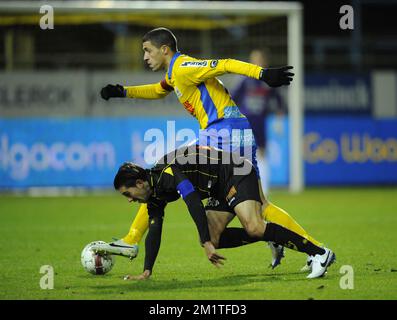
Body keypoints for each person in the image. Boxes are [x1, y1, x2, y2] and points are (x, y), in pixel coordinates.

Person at [99, 27, 320, 269]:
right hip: (221, 131)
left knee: (164, 172)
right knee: (259, 205)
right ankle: (306, 247)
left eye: (147, 51)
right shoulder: (174, 74)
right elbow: (157, 90)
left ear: (164, 49)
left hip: (225, 131)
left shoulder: (184, 68)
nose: (144, 57)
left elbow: (224, 64)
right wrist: (123, 91)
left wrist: (262, 74)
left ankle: (131, 240)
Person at [93, 145, 335, 280]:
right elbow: (154, 229)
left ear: (139, 183)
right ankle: (273, 236)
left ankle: (319, 253)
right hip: (218, 187)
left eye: (127, 194)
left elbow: (193, 202)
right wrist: (146, 272)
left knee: (253, 226)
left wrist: (205, 242)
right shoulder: (155, 191)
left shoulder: (167, 173)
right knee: (215, 237)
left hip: (235, 172)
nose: (129, 200)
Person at [232, 49, 287, 194]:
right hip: (244, 123)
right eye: (254, 60)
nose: (257, 62)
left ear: (264, 62)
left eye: (259, 60)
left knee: (262, 153)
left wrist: (279, 120)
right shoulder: (245, 81)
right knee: (240, 154)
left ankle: (264, 190)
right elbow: (231, 99)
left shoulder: (268, 82)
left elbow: (280, 102)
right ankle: (240, 189)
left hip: (260, 122)